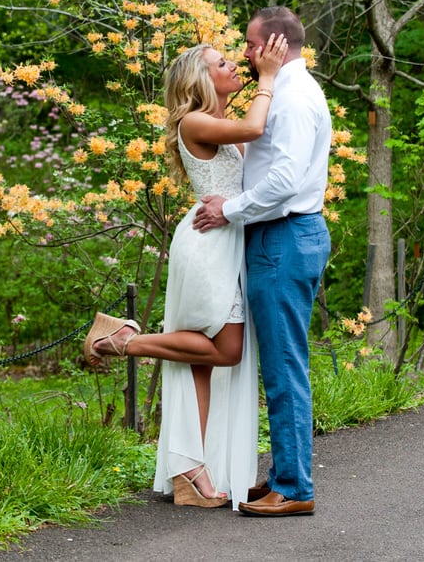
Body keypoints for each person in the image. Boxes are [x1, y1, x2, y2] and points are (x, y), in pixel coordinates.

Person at [85, 33, 288, 510]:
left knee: (202, 358)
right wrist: (270, 77)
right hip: (206, 245)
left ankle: (190, 469)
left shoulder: (213, 120)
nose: (234, 65)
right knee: (227, 350)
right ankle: (119, 342)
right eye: (223, 63)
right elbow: (257, 129)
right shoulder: (196, 120)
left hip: (223, 242)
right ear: (203, 79)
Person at [193, 7, 332, 517]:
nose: (246, 53)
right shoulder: (283, 89)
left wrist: (228, 210)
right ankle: (283, 476)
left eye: (250, 45)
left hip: (283, 238)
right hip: (282, 237)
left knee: (284, 367)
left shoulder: (293, 98)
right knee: (279, 364)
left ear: (274, 44)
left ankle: (293, 488)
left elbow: (285, 182)